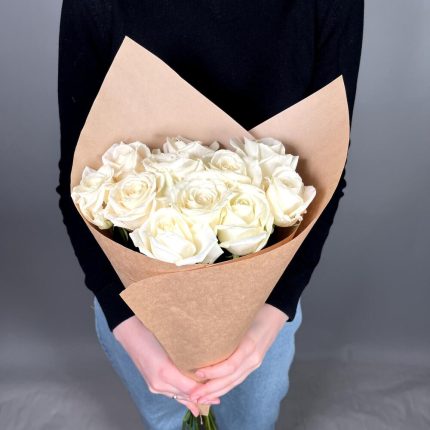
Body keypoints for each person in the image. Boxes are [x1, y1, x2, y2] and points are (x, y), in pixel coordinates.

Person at [57, 1, 364, 429]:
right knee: (166, 420)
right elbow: (77, 182)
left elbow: (326, 174)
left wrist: (269, 318)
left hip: (264, 298)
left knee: (250, 421)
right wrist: (127, 325)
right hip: (135, 302)